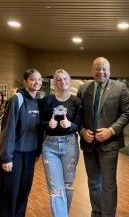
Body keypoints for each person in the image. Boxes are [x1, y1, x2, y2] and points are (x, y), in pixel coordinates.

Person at [77, 57, 129, 217]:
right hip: (89, 144)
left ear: (110, 70)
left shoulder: (120, 88)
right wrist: (82, 131)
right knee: (93, 182)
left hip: (110, 144)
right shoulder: (83, 88)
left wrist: (111, 130)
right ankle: (96, 212)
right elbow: (77, 114)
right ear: (92, 70)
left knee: (108, 184)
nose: (101, 72)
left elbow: (127, 113)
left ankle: (108, 214)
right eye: (97, 68)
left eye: (104, 69)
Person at [0, 69, 42, 217]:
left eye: (39, 80)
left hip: (29, 156)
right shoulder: (17, 99)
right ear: (25, 81)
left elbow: (37, 130)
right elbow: (8, 129)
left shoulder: (37, 102)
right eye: (33, 79)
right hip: (14, 155)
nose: (37, 82)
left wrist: (37, 152)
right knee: (9, 193)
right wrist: (6, 157)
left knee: (23, 191)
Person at [41, 69, 82, 217]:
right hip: (50, 146)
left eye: (65, 79)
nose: (62, 82)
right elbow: (41, 122)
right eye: (58, 79)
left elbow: (79, 125)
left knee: (67, 186)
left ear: (69, 80)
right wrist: (48, 125)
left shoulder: (76, 101)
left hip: (70, 144)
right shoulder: (47, 100)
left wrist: (70, 125)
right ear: (54, 82)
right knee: (56, 189)